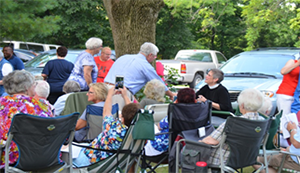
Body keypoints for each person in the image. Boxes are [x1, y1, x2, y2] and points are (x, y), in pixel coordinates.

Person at [73, 86, 139, 167]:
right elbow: (134, 114)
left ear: (123, 119)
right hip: (110, 164)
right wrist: (125, 96)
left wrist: (109, 95)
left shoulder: (112, 129)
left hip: (88, 160)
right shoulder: (137, 133)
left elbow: (106, 111)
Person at [0, 70, 53, 168]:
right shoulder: (42, 105)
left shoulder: (2, 103)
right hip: (43, 154)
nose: (35, 87)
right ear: (26, 87)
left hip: (9, 156)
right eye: (34, 84)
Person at [199, 88, 265, 165]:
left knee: (194, 151)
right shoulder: (262, 122)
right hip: (248, 159)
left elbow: (212, 141)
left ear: (242, 105)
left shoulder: (235, 122)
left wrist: (198, 142)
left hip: (224, 160)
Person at [104, 42, 176, 111]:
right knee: (118, 119)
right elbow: (159, 83)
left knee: (104, 116)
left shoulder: (123, 57)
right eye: (155, 56)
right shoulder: (145, 66)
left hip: (105, 88)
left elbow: (120, 77)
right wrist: (171, 94)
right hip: (119, 92)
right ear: (150, 55)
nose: (155, 58)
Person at [144, 88, 196, 156]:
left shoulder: (175, 114)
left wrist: (174, 106)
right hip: (185, 146)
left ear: (177, 100)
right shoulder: (198, 114)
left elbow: (159, 126)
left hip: (162, 147)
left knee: (147, 125)